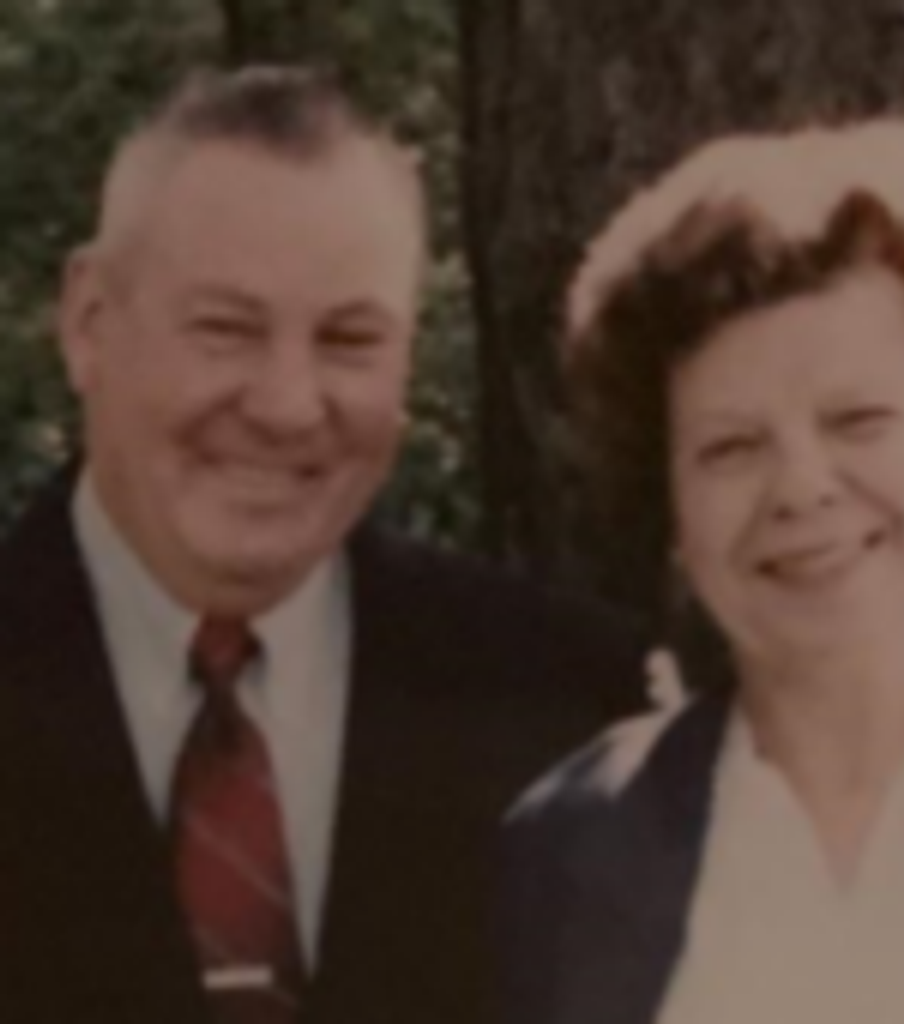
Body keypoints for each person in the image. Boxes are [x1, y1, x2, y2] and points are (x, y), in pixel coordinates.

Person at [0, 66, 648, 1024]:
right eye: (226, 330)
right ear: (89, 323)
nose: (287, 405)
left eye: (349, 340)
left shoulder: (571, 709)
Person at [501, 118, 904, 1024]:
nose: (801, 487)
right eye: (732, 447)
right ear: (671, 507)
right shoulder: (569, 849)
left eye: (858, 419)